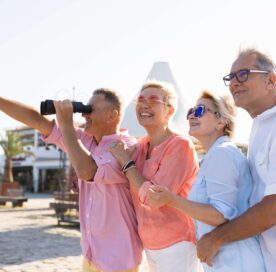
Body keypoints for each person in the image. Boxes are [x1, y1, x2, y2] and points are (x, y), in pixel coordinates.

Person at [0, 88, 143, 272]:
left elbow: (86, 171)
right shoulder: (86, 140)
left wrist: (66, 125)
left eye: (90, 109)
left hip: (119, 258)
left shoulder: (126, 146)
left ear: (112, 115)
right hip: (92, 254)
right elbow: (38, 121)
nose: (84, 113)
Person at [146, 90, 266, 271]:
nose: (193, 115)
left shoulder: (222, 153)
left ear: (221, 121)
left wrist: (172, 200)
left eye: (201, 110)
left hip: (236, 263)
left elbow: (221, 215)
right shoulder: (216, 155)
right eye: (191, 111)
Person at [195, 48, 276, 272]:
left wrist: (215, 239)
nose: (234, 83)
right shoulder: (261, 126)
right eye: (231, 78)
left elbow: (273, 207)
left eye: (243, 74)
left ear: (270, 80)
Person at [109, 80, 202, 272]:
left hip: (177, 243)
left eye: (153, 100)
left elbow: (154, 198)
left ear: (169, 110)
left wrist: (126, 162)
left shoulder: (180, 145)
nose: (144, 104)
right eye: (140, 100)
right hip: (149, 244)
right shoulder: (140, 145)